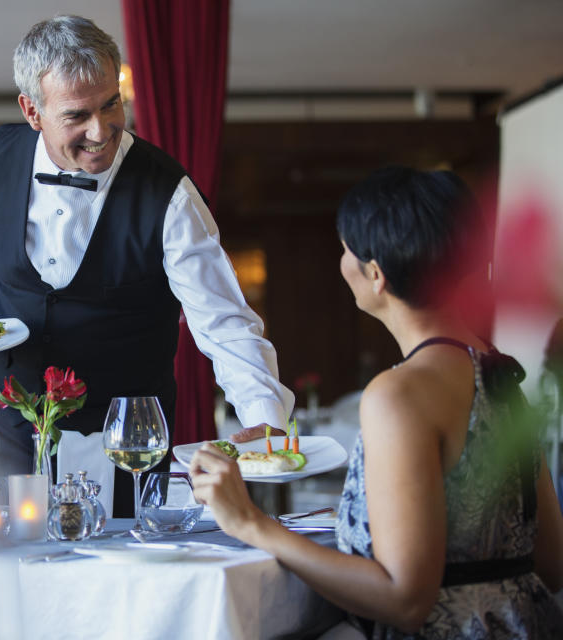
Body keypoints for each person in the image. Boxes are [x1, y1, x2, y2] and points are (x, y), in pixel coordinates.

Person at [0, 15, 293, 514]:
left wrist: (264, 415)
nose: (101, 130)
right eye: (76, 115)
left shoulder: (167, 193)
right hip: (11, 427)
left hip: (129, 440)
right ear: (32, 111)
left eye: (111, 103)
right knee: (12, 569)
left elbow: (223, 319)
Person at [189, 167, 563, 638]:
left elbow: (404, 600)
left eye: (344, 247)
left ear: (375, 274)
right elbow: (550, 563)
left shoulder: (399, 394)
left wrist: (250, 522)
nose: (340, 260)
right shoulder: (500, 373)